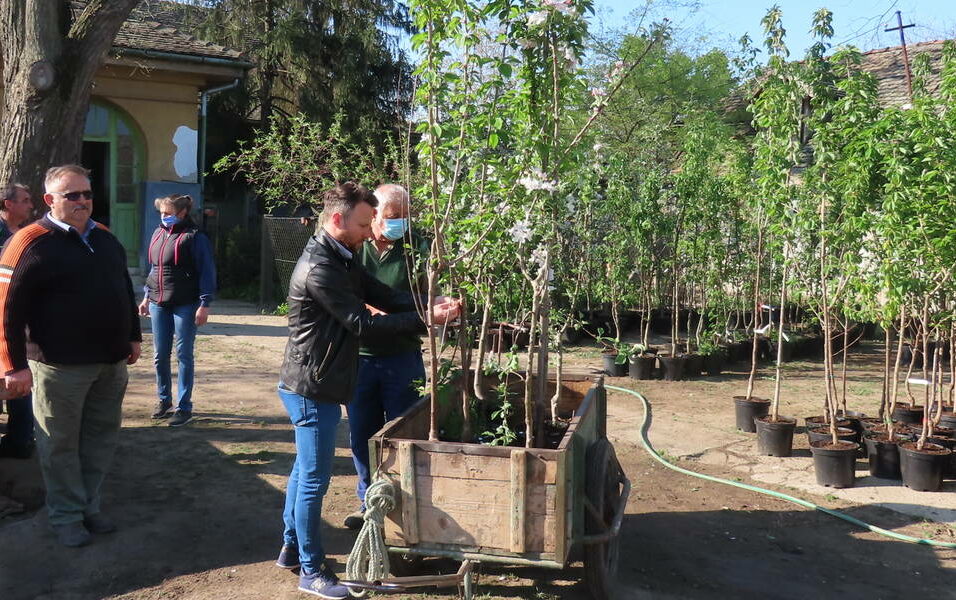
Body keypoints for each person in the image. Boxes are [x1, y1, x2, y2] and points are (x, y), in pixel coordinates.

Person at [274, 182, 459, 599]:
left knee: (304, 471)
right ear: (337, 219)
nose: (367, 231)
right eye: (362, 223)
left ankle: (290, 547)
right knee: (313, 480)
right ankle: (312, 570)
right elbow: (364, 324)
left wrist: (428, 305)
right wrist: (424, 320)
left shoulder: (341, 256)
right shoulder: (321, 267)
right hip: (311, 386)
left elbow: (382, 294)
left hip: (319, 380)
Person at [0, 164, 142, 547]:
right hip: (57, 366)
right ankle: (65, 516)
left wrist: (132, 336)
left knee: (99, 439)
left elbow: (123, 289)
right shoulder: (29, 241)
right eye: (72, 195)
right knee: (59, 444)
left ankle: (88, 507)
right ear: (49, 200)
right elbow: (5, 308)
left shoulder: (105, 238)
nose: (82, 202)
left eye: (87, 194)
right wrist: (12, 366)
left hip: (110, 363)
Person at [343, 184, 429, 530]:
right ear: (374, 215)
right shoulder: (355, 247)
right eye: (394, 217)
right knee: (362, 434)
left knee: (404, 433)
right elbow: (344, 297)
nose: (401, 224)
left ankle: (403, 508)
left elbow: (428, 294)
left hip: (403, 354)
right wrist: (366, 310)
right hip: (360, 356)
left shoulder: (418, 247)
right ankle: (368, 503)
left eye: (406, 217)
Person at [138, 194, 217, 427]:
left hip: (186, 303)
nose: (164, 217)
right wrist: (145, 296)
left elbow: (207, 271)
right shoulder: (157, 233)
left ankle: (184, 407)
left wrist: (205, 303)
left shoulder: (195, 237)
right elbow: (154, 268)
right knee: (159, 355)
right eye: (161, 213)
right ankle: (164, 401)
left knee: (184, 355)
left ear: (182, 213)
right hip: (158, 302)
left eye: (168, 213)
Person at [0, 183, 36, 459]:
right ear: (7, 204)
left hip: (24, 320)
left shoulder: (28, 234)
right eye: (24, 200)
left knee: (21, 377)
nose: (30, 205)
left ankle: (20, 439)